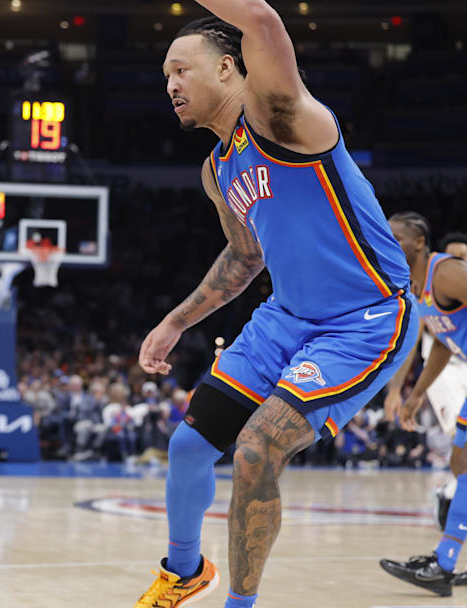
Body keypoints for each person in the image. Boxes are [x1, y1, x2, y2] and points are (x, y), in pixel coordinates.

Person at [134, 5, 419, 607]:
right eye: (165, 76)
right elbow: (243, 261)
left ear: (230, 68)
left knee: (257, 448)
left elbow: (262, 19)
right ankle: (184, 571)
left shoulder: (285, 120)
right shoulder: (218, 169)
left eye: (182, 70)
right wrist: (175, 322)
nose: (171, 86)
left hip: (363, 320)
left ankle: (242, 604)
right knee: (187, 448)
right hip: (284, 318)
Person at [379, 213, 467, 596]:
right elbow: (444, 347)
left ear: (418, 242)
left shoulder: (444, 271)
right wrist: (414, 395)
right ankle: (444, 562)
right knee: (460, 461)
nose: (389, 241)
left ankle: (444, 562)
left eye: (397, 237)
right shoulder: (415, 287)